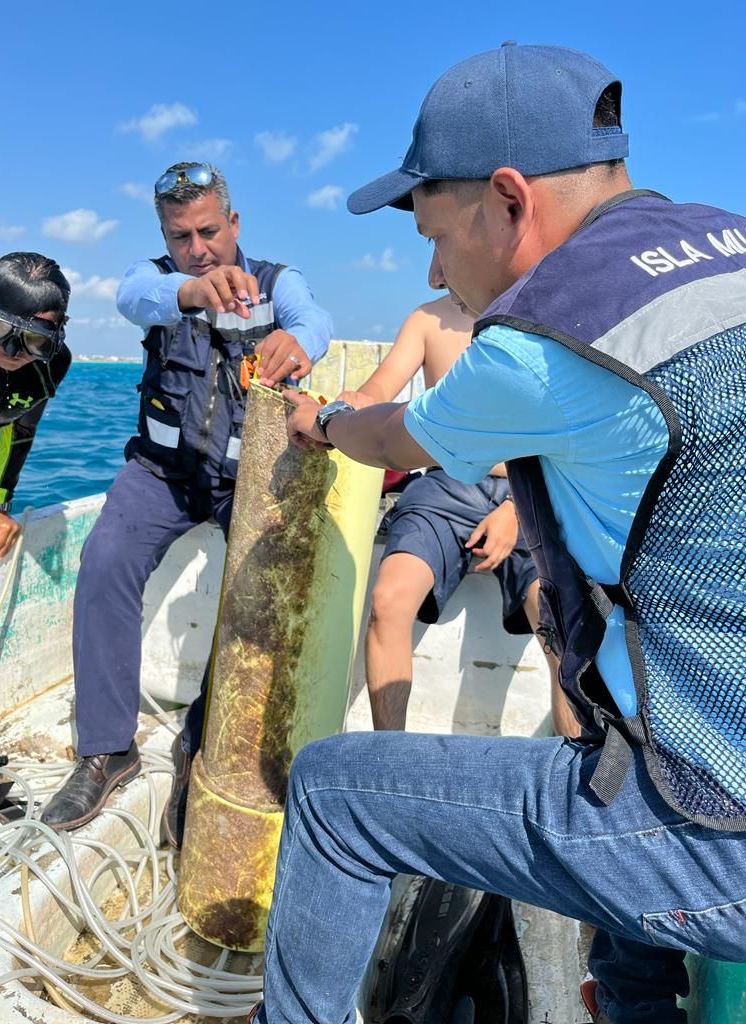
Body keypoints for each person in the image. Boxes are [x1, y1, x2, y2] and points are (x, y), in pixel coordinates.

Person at [250, 44, 746, 1024]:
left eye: (436, 234)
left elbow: (394, 431)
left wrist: (322, 424)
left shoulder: (541, 342)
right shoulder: (727, 244)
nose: (435, 268)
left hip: (715, 830)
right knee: (614, 726)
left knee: (335, 791)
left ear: (511, 199)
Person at [41, 162, 333, 846]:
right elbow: (133, 297)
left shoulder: (280, 281)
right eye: (181, 238)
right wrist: (194, 290)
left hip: (249, 480)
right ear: (166, 239)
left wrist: (301, 342)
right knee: (105, 558)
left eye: (208, 231)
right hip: (162, 473)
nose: (198, 247)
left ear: (234, 224)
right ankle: (109, 749)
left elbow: (313, 318)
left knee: (256, 594)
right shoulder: (158, 283)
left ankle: (200, 745)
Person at [340, 294, 578, 735]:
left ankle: (571, 783)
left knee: (558, 627)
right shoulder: (429, 319)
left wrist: (515, 511)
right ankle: (389, 767)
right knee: (387, 602)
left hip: (527, 485)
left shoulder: (543, 308)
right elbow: (377, 392)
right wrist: (340, 409)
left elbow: (564, 434)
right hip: (445, 483)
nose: (435, 271)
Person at [0, 252, 71, 560]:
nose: (11, 351)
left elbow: (19, 429)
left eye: (35, 339)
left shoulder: (52, 366)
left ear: (60, 331)